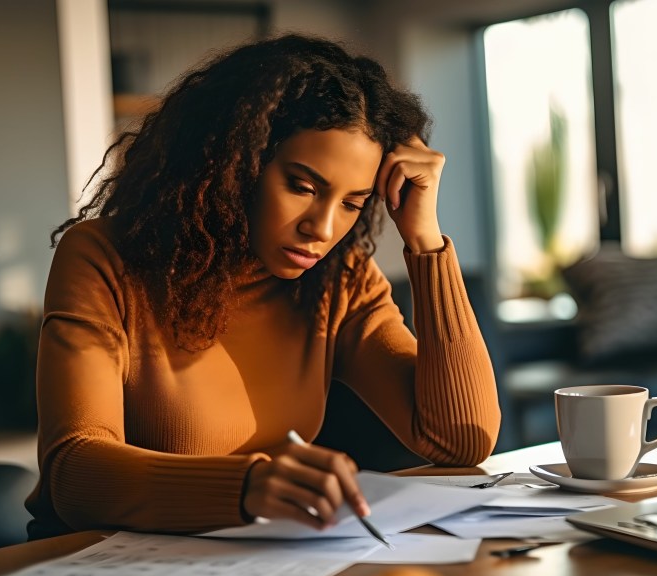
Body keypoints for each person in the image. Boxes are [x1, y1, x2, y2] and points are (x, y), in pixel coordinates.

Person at [25, 33, 500, 540]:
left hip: (256, 561)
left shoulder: (339, 281)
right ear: (236, 161)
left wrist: (425, 241)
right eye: (302, 186)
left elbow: (460, 441)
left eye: (352, 202)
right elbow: (73, 474)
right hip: (96, 565)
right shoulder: (105, 257)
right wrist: (247, 487)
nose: (321, 228)